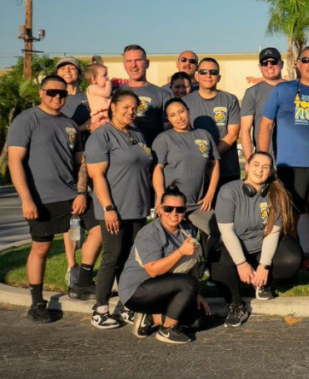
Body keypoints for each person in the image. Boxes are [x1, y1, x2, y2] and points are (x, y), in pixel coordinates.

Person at [6, 74, 90, 322]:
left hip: (71, 197)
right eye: (52, 92)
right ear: (41, 93)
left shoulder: (69, 124)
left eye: (62, 93)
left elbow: (81, 163)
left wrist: (82, 192)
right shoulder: (27, 120)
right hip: (41, 199)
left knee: (100, 226)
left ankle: (81, 281)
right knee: (41, 248)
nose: (57, 97)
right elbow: (15, 161)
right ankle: (37, 303)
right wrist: (26, 199)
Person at [258, 46, 309, 275]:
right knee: (290, 218)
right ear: (297, 64)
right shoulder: (283, 90)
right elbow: (265, 125)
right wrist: (264, 162)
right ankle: (294, 264)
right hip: (288, 167)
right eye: (306, 60)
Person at [86, 89, 155, 328]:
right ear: (112, 107)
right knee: (112, 258)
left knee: (131, 260)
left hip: (137, 207)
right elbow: (97, 176)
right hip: (114, 209)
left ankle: (127, 305)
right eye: (125, 106)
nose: (131, 111)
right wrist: (108, 208)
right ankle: (100, 308)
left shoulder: (137, 134)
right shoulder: (102, 135)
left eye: (134, 107)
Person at [211, 152, 302, 326]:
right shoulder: (229, 191)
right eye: (256, 165)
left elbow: (272, 233)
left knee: (291, 257)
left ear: (270, 172)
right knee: (218, 264)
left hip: (261, 247)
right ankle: (236, 305)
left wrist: (264, 265)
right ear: (247, 167)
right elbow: (226, 231)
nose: (260, 170)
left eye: (265, 167)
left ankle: (261, 283)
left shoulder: (276, 194)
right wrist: (241, 263)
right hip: (234, 246)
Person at [116, 184, 208, 344]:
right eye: (168, 209)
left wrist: (196, 294)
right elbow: (153, 271)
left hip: (165, 288)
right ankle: (167, 330)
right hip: (137, 290)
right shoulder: (149, 233)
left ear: (184, 211)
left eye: (179, 210)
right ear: (159, 209)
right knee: (187, 284)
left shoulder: (187, 231)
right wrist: (180, 252)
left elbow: (192, 263)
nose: (174, 213)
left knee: (198, 319)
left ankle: (151, 317)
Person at [54, 57, 100, 293]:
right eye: (63, 68)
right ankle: (72, 267)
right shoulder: (56, 99)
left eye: (71, 67)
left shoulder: (87, 95)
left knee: (98, 217)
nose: (67, 70)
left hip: (96, 161)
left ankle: (89, 266)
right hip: (72, 165)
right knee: (72, 219)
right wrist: (83, 128)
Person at [152, 99, 220, 215]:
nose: (179, 118)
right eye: (173, 115)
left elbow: (215, 165)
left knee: (215, 229)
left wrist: (210, 194)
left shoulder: (204, 135)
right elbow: (157, 169)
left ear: (188, 111)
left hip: (199, 203)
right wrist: (161, 197)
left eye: (181, 112)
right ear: (168, 119)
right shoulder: (164, 138)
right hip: (172, 205)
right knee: (176, 233)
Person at [183, 58, 241, 186]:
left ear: (219, 77)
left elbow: (232, 135)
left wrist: (209, 156)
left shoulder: (230, 100)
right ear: (197, 76)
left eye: (213, 72)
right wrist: (201, 160)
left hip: (227, 170)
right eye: (203, 72)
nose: (208, 75)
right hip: (196, 171)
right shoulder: (185, 102)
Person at [118, 45, 170, 147]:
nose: (133, 65)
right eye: (129, 61)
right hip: (122, 154)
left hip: (154, 155)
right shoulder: (116, 93)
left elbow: (168, 131)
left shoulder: (162, 94)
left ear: (147, 63)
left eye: (138, 60)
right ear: (124, 65)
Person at [240, 48, 285, 161]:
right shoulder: (252, 92)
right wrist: (249, 160)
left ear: (281, 64)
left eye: (273, 62)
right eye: (265, 63)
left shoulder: (293, 89)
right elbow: (245, 130)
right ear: (260, 67)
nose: (269, 66)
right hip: (265, 158)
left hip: (291, 157)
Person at [85, 63, 112, 131]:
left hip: (106, 114)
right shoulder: (92, 88)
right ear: (93, 79)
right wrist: (109, 83)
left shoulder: (101, 88)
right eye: (104, 75)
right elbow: (106, 93)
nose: (107, 78)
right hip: (99, 116)